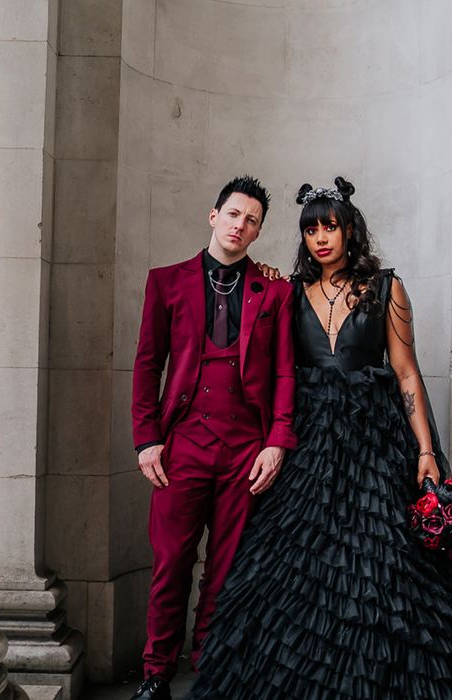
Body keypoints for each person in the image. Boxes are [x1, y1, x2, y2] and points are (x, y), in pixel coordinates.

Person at [187, 177, 452, 699]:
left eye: (330, 227)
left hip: (376, 443)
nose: (321, 238)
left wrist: (426, 450)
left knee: (383, 562)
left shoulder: (386, 287)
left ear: (350, 230)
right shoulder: (287, 292)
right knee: (302, 562)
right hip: (309, 443)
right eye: (311, 230)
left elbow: (407, 374)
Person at [130, 176, 298, 700]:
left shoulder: (274, 290)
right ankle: (156, 675)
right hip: (181, 446)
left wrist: (277, 440)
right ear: (213, 216)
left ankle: (211, 670)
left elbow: (285, 374)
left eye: (251, 220)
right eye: (233, 214)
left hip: (245, 449)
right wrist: (146, 439)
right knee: (171, 565)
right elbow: (147, 364)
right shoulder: (166, 281)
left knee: (225, 570)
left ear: (258, 232)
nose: (239, 225)